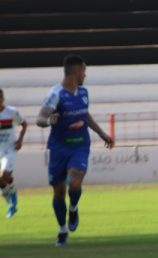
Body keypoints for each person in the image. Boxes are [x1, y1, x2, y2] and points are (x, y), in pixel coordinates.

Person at [36, 54, 114, 247]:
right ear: (75, 71)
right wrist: (49, 121)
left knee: (76, 179)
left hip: (80, 145)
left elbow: (84, 115)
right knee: (58, 192)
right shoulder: (56, 94)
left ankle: (74, 207)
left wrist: (102, 133)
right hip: (59, 148)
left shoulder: (84, 93)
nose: (85, 75)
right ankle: (62, 229)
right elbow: (40, 118)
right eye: (84, 70)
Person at [0, 88, 27, 218]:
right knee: (2, 181)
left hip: (10, 149)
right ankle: (11, 202)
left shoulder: (11, 112)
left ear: (3, 99)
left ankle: (12, 202)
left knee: (3, 175)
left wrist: (20, 140)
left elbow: (24, 124)